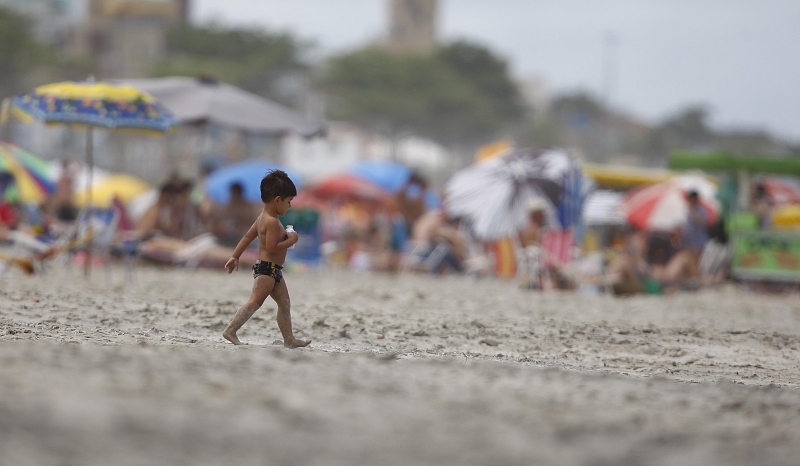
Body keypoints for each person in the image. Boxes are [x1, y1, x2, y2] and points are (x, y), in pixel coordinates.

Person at [222, 170, 310, 349]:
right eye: (288, 202)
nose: (290, 206)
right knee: (255, 301)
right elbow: (271, 248)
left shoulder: (263, 218)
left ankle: (289, 339)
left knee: (285, 303)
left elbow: (247, 237)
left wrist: (235, 256)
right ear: (277, 200)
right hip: (266, 269)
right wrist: (291, 240)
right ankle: (231, 330)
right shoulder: (270, 221)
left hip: (274, 270)